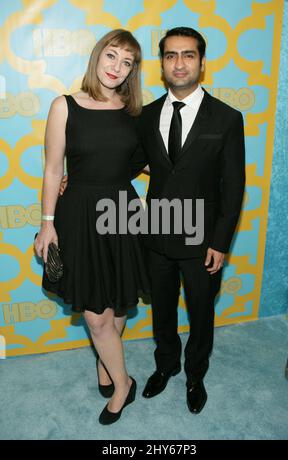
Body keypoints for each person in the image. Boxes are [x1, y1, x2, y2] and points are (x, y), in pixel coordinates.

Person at [34, 29, 150, 425]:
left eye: (127, 62)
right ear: (97, 56)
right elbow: (53, 169)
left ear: (133, 70)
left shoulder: (135, 114)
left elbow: (145, 162)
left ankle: (105, 366)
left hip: (123, 212)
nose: (117, 67)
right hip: (80, 214)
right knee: (96, 315)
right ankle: (124, 384)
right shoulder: (64, 106)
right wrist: (47, 223)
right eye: (112, 56)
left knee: (118, 301)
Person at [131, 27, 245, 414]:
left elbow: (234, 186)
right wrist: (76, 175)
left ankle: (196, 374)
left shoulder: (228, 118)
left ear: (201, 61)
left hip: (203, 241)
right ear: (161, 63)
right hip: (157, 234)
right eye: (170, 56)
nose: (179, 63)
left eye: (188, 55)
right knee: (161, 309)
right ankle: (166, 366)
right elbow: (127, 161)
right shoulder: (144, 116)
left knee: (201, 310)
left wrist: (220, 241)